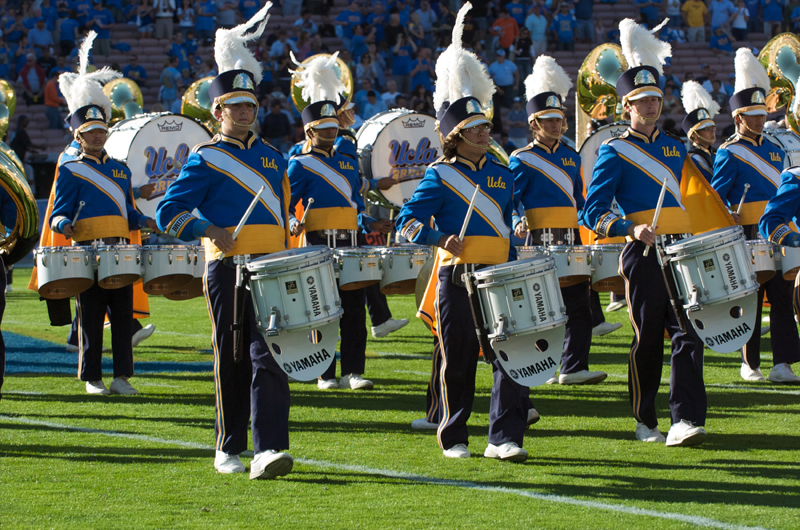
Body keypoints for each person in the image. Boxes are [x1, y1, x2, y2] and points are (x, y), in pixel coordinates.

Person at [156, 3, 295, 479]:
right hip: (228, 268)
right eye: (234, 106)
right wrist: (207, 230)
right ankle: (228, 445)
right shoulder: (205, 157)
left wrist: (291, 246)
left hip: (272, 269)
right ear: (217, 111)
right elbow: (166, 212)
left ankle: (270, 448)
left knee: (270, 353)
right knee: (232, 356)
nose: (243, 112)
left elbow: (283, 217)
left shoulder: (276, 158)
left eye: (249, 106)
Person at [396, 3, 530, 462]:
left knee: (510, 355)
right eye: (473, 128)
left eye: (484, 126)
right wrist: (437, 239)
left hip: (501, 273)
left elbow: (511, 216)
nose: (482, 133)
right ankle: (453, 436)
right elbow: (406, 222)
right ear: (454, 135)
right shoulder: (437, 176)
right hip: (458, 277)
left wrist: (518, 230)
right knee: (457, 358)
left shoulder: (503, 170)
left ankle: (505, 436)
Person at [583, 19, 712, 447]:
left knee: (690, 333)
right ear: (626, 107)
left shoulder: (676, 147)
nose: (650, 106)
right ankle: (645, 419)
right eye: (641, 101)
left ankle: (686, 419)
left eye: (655, 98)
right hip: (643, 255)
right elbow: (592, 211)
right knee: (647, 338)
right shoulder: (613, 150)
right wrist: (629, 228)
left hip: (683, 253)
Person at [50, 31, 157, 396]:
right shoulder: (69, 170)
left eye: (101, 131)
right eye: (90, 132)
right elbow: (57, 214)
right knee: (91, 316)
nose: (97, 136)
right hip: (86, 251)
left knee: (123, 312)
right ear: (79, 135)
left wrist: (145, 220)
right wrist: (64, 223)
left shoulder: (121, 170)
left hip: (120, 249)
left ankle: (121, 377)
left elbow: (128, 212)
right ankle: (92, 378)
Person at [287, 53, 392, 391]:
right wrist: (291, 221)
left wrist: (371, 224)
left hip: (350, 241)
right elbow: (285, 204)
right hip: (317, 241)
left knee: (354, 309)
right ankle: (325, 372)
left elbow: (353, 204)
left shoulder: (348, 159)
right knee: (322, 309)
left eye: (333, 127)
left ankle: (354, 371)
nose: (331, 132)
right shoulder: (299, 164)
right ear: (310, 130)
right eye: (323, 128)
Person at [510, 55, 608, 386]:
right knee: (541, 308)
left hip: (571, 238)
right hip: (537, 240)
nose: (555, 125)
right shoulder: (521, 159)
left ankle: (573, 366)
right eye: (547, 121)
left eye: (558, 120)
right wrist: (517, 217)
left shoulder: (571, 155)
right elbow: (509, 201)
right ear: (534, 124)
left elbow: (579, 199)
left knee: (579, 305)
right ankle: (537, 366)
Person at [710, 48, 800, 384]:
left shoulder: (777, 149)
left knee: (781, 296)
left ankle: (783, 363)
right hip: (746, 232)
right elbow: (716, 195)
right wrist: (726, 216)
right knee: (751, 297)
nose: (760, 119)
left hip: (778, 231)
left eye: (762, 113)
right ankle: (750, 362)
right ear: (738, 118)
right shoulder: (729, 152)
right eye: (753, 114)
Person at [681, 81, 720, 183]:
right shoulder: (691, 160)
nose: (712, 131)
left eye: (713, 127)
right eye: (706, 129)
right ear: (694, 134)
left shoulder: (717, 154)